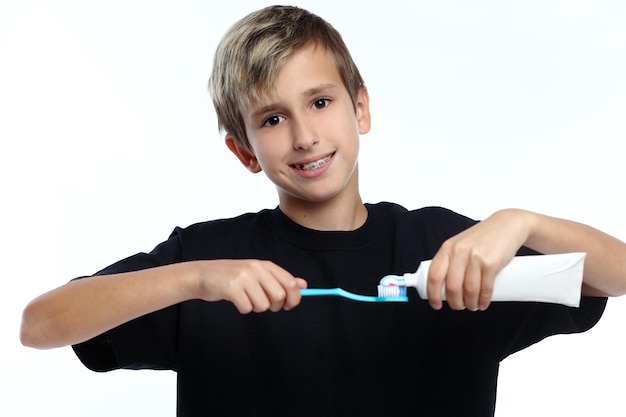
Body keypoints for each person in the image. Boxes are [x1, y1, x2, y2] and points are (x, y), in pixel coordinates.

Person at [20, 5, 626, 416]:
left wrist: (521, 223)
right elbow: (40, 326)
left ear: (360, 108)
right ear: (244, 151)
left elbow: (613, 276)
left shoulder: (449, 250)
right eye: (273, 119)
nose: (306, 136)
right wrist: (196, 278)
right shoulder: (205, 263)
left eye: (320, 101)